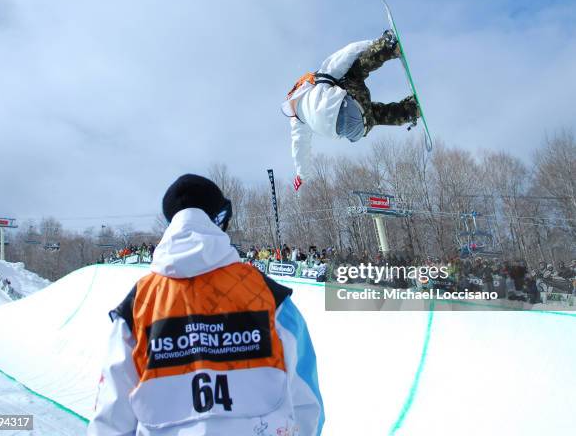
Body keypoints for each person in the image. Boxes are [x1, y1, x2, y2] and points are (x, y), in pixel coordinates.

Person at [88, 174, 324, 436]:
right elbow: (306, 402)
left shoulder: (138, 305)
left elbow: (110, 419)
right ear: (220, 220)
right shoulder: (269, 295)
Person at [282, 30, 420, 190]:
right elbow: (348, 52)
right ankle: (387, 47)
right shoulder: (320, 78)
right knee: (354, 73)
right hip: (348, 108)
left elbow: (299, 148)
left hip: (358, 131)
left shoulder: (298, 121)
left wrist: (302, 175)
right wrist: (375, 42)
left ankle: (410, 110)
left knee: (374, 115)